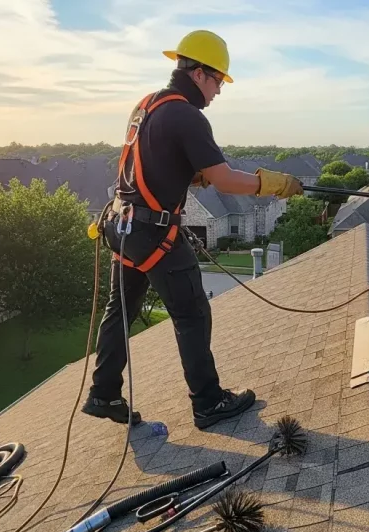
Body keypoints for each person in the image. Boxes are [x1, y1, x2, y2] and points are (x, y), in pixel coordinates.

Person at [84, 30, 304, 430]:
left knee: (121, 310)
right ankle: (207, 402)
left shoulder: (147, 105)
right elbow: (225, 180)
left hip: (124, 226)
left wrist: (190, 172)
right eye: (219, 80)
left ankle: (103, 392)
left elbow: (155, 160)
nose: (219, 91)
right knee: (193, 314)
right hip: (154, 233)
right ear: (200, 73)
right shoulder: (187, 114)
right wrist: (274, 184)